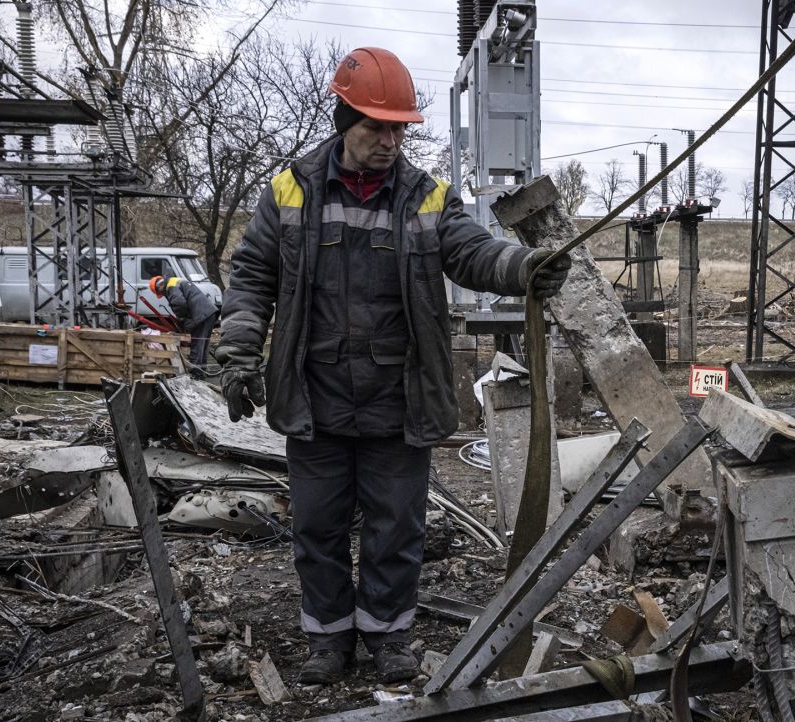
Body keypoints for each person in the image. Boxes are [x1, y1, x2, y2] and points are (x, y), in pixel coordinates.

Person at [215, 47, 571, 686]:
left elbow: (470, 254)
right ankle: (327, 640)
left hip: (397, 398)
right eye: (375, 127)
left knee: (395, 529)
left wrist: (524, 269)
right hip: (315, 397)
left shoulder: (427, 197)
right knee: (317, 528)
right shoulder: (288, 191)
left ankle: (387, 635)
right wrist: (238, 353)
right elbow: (251, 277)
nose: (388, 140)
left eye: (398, 128)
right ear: (341, 120)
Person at [149, 275, 219, 370]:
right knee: (203, 344)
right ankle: (202, 370)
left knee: (197, 344)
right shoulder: (174, 280)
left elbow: (179, 304)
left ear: (159, 287)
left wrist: (184, 320)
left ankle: (196, 373)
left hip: (201, 315)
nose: (163, 294)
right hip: (209, 313)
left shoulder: (171, 286)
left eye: (160, 292)